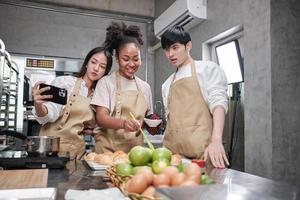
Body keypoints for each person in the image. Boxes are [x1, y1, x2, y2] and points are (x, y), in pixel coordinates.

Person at [161, 26, 229, 168]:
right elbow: (171, 122)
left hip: (203, 157)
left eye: (175, 47)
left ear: (188, 46)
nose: (170, 54)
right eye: (167, 50)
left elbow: (218, 104)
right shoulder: (167, 84)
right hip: (174, 160)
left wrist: (216, 140)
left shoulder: (207, 69)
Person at [32, 47, 112, 159]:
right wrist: (38, 105)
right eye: (93, 62)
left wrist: (91, 130)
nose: (96, 68)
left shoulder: (98, 96)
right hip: (51, 151)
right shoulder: (65, 83)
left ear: (105, 72)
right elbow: (48, 115)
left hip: (76, 153)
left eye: (102, 66)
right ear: (86, 64)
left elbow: (94, 124)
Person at [91, 22, 153, 153]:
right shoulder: (106, 83)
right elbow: (101, 118)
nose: (132, 64)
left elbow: (147, 122)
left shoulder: (145, 88)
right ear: (117, 59)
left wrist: (154, 124)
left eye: (136, 59)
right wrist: (124, 124)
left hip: (135, 155)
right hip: (108, 153)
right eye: (126, 59)